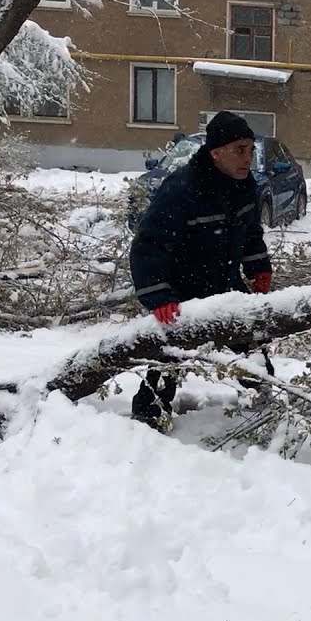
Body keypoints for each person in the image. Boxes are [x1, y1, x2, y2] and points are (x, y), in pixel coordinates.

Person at [129, 111, 276, 430]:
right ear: (216, 152)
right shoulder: (182, 189)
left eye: (250, 149)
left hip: (226, 286)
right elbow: (148, 245)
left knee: (251, 345)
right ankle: (148, 413)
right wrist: (159, 296)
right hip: (182, 294)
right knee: (169, 360)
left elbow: (250, 232)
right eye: (240, 149)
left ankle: (262, 404)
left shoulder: (244, 186)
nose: (248, 157)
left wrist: (258, 266)